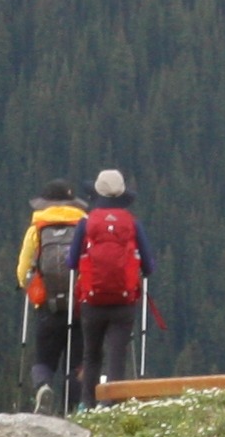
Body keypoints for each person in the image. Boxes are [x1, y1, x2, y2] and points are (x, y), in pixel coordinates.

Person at [71, 168, 149, 398]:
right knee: (117, 356)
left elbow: (72, 260)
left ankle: (87, 404)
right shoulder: (133, 224)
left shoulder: (86, 224)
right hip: (123, 303)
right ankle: (113, 405)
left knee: (92, 355)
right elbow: (149, 264)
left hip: (92, 300)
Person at [15, 179, 87, 413]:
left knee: (44, 360)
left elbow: (23, 271)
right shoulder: (84, 226)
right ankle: (73, 410)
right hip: (79, 306)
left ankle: (43, 387)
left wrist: (32, 290)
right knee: (77, 363)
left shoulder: (36, 230)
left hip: (48, 306)